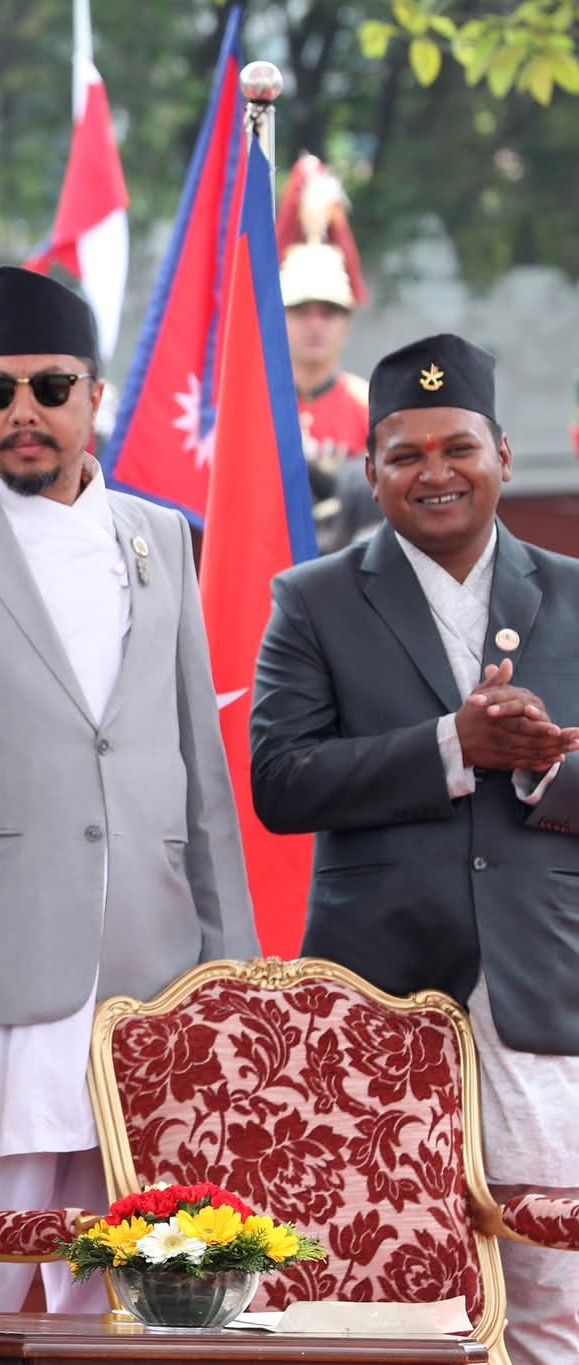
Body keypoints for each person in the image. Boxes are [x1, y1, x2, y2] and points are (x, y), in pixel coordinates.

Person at [0, 266, 255, 1312]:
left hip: (148, 963)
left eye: (49, 388)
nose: (22, 411)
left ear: (94, 398)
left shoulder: (160, 536)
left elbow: (197, 772)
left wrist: (232, 967)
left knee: (146, 1269)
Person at [250, 334, 579, 1365]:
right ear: (371, 469)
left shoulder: (574, 591)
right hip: (375, 993)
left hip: (538, 983)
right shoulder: (311, 597)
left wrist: (540, 767)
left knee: (550, 1286)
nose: (435, 472)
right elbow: (279, 780)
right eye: (406, 454)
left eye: (457, 447)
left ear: (502, 454)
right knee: (376, 1287)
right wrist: (448, 746)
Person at [277, 155, 376, 550]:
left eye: (328, 313)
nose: (315, 325)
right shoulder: (254, 407)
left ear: (346, 324)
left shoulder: (371, 407)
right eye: (301, 312)